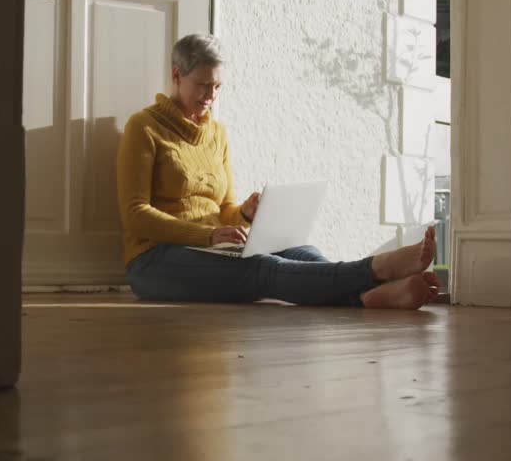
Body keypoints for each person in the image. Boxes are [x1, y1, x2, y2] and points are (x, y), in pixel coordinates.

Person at [116, 33, 440, 309]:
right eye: (202, 85)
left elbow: (224, 208)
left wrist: (243, 213)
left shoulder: (217, 133)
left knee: (302, 251)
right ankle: (379, 268)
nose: (210, 97)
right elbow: (136, 215)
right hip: (155, 261)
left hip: (211, 249)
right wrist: (209, 235)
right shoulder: (144, 127)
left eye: (217, 87)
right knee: (263, 269)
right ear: (176, 76)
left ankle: (370, 298)